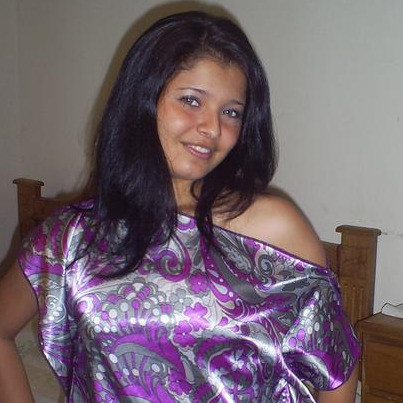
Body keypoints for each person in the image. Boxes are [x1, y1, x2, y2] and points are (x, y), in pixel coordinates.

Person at [0, 10, 359, 403]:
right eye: (191, 100)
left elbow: (337, 367)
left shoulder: (274, 230)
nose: (213, 128)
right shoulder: (72, 237)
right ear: (143, 100)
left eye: (231, 112)